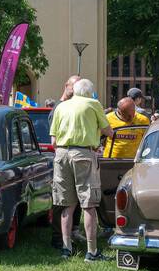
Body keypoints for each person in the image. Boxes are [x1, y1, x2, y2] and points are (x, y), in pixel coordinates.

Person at [48, 78, 113, 261]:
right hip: (83, 154)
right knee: (89, 204)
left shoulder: (61, 106)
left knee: (67, 205)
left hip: (61, 155)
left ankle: (66, 248)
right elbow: (109, 131)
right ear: (90, 92)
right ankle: (91, 251)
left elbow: (53, 141)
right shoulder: (93, 104)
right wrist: (95, 133)